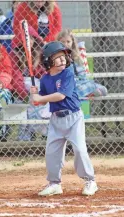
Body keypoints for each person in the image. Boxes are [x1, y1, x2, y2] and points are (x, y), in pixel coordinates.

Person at [30, 41, 98, 196]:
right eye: (58, 57)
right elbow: (40, 100)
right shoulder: (46, 79)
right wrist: (33, 94)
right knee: (51, 152)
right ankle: (55, 183)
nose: (63, 60)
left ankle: (90, 181)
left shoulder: (67, 73)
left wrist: (40, 98)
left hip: (73, 117)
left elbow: (60, 95)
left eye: (63, 57)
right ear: (48, 61)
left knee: (80, 149)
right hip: (56, 120)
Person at [10, 25, 50, 140]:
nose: (28, 42)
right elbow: (16, 77)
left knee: (42, 101)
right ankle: (25, 137)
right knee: (27, 108)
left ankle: (45, 133)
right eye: (25, 39)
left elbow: (42, 73)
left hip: (37, 91)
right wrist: (24, 93)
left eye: (31, 39)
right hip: (21, 93)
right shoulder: (15, 55)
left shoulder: (38, 54)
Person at [57, 29, 107, 98]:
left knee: (103, 89)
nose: (66, 44)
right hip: (68, 83)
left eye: (68, 42)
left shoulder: (76, 56)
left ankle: (87, 92)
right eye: (63, 42)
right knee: (73, 89)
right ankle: (85, 93)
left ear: (72, 42)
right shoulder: (57, 57)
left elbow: (82, 75)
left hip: (81, 82)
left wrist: (83, 81)